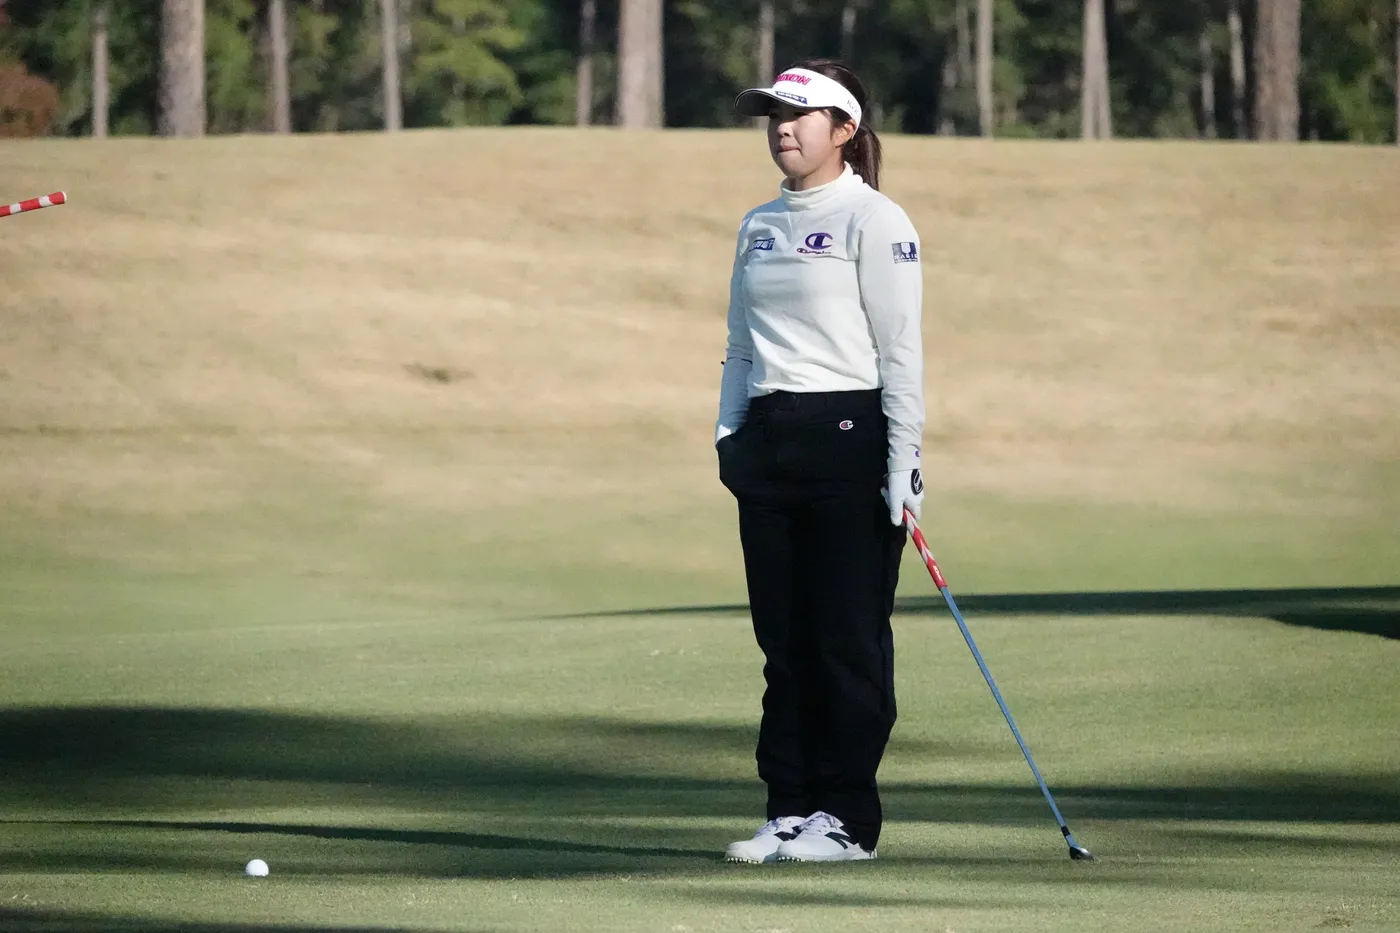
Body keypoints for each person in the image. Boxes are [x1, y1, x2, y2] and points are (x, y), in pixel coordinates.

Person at [715, 60, 926, 864]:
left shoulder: (874, 219)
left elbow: (900, 351)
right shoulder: (758, 224)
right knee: (785, 645)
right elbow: (740, 344)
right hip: (769, 440)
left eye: (800, 115)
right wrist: (729, 435)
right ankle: (789, 808)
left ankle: (846, 818)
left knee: (846, 639)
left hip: (849, 436)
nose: (783, 128)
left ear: (844, 129)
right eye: (775, 115)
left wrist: (903, 459)